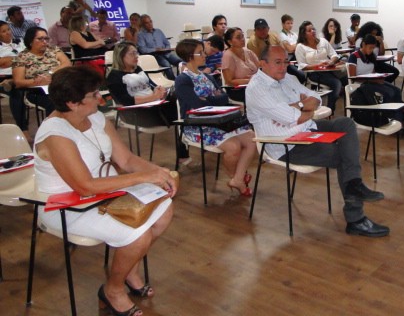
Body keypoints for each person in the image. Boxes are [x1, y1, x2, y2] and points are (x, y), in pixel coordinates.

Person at [33, 65, 175, 316]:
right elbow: (84, 186)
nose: (101, 98)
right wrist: (145, 177)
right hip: (66, 206)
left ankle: (128, 269)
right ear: (72, 103)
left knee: (164, 209)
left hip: (106, 194)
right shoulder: (55, 133)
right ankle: (113, 290)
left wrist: (161, 173)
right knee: (138, 235)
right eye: (94, 94)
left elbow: (126, 160)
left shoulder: (96, 118)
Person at [246, 45, 390, 237]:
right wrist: (302, 106)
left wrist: (301, 108)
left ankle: (354, 185)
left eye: (286, 62)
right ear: (262, 64)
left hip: (307, 128)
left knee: (346, 123)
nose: (283, 67)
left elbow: (317, 99)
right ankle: (356, 218)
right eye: (277, 62)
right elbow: (292, 117)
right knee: (343, 155)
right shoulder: (256, 89)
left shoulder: (287, 78)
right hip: (285, 143)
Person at [175, 39, 256, 196]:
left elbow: (223, 98)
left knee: (251, 139)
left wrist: (208, 99)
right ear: (190, 56)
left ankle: (237, 179)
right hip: (198, 125)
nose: (205, 55)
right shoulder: (182, 80)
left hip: (218, 121)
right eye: (200, 53)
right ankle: (236, 178)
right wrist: (213, 98)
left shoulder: (207, 76)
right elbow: (197, 106)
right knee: (233, 147)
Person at [12, 26, 71, 139]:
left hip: (59, 85)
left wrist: (50, 73)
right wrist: (36, 82)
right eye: (40, 39)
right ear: (30, 41)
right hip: (37, 91)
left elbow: (66, 63)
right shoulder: (22, 57)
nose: (44, 42)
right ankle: (54, 133)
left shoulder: (53, 50)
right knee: (54, 100)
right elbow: (18, 82)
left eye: (46, 38)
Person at [348, 34, 404, 130]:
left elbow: (372, 72)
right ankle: (392, 117)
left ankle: (400, 116)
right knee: (388, 93)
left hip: (371, 82)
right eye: (370, 47)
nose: (371, 50)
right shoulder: (354, 56)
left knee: (396, 90)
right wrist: (370, 79)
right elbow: (353, 76)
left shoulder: (371, 56)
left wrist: (379, 77)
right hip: (361, 84)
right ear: (364, 44)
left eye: (373, 48)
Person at [295, 20, 347, 114]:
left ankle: (350, 110)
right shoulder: (300, 47)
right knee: (336, 84)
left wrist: (332, 61)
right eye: (309, 30)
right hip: (314, 73)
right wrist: (318, 66)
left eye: (313, 29)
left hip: (330, 70)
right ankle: (330, 110)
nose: (313, 31)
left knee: (347, 80)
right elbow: (302, 66)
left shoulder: (323, 41)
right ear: (304, 34)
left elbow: (334, 54)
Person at [247, 18, 305, 84]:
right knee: (282, 80)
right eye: (258, 29)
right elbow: (257, 61)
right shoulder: (252, 42)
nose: (262, 31)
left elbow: (282, 50)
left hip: (281, 62)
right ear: (255, 31)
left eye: (264, 28)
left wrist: (284, 62)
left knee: (300, 75)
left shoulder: (274, 36)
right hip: (266, 67)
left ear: (268, 28)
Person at [137, 14, 182, 80]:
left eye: (150, 21)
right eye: (147, 23)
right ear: (142, 25)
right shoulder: (140, 35)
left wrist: (166, 48)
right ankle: (173, 81)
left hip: (166, 53)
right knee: (167, 65)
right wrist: (155, 49)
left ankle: (180, 79)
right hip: (155, 55)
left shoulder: (158, 31)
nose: (150, 24)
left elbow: (167, 43)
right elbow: (142, 49)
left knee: (180, 62)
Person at [221, 27, 259, 103]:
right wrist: (250, 80)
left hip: (254, 85)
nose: (242, 39)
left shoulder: (249, 52)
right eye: (238, 37)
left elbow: (261, 68)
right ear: (230, 42)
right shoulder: (228, 56)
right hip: (237, 90)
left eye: (242, 36)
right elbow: (229, 81)